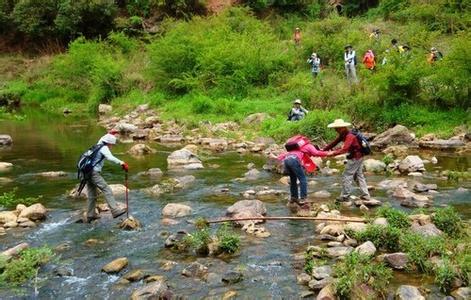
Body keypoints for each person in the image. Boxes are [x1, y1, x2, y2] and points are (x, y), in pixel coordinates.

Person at [322, 119, 370, 201]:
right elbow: (333, 143)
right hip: (358, 156)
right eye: (335, 128)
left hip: (356, 157)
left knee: (346, 175)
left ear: (342, 128)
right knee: (358, 176)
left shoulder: (350, 136)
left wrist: (332, 154)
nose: (335, 130)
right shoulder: (343, 134)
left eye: (337, 128)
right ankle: (365, 195)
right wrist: (322, 150)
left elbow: (344, 149)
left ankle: (345, 196)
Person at [277, 135, 332, 207]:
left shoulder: (296, 149)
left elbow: (280, 157)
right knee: (303, 179)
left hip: (286, 161)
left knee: (293, 180)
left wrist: (274, 158)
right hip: (294, 160)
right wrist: (328, 153)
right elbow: (316, 153)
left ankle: (294, 198)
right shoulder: (309, 146)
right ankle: (303, 198)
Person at [85, 133, 128, 223]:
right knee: (106, 189)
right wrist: (122, 163)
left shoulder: (97, 145)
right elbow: (110, 157)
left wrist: (109, 133)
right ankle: (115, 210)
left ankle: (90, 215)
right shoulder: (104, 148)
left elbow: (102, 138)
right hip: (93, 173)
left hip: (86, 172)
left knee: (92, 194)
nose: (112, 146)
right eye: (112, 144)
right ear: (109, 143)